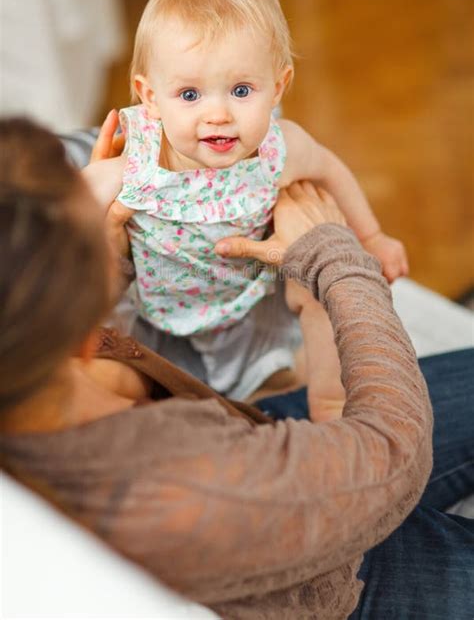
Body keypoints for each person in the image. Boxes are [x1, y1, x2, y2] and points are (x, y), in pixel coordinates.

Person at [1, 116, 472, 620]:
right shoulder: (177, 488)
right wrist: (336, 258)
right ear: (73, 327)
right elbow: (395, 451)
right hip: (340, 585)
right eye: (85, 210)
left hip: (257, 441)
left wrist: (110, 257)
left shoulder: (29, 365)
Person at [83, 0, 409, 419]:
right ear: (150, 97)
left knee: (317, 296)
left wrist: (372, 235)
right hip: (159, 318)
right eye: (190, 95)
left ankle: (331, 408)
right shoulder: (139, 160)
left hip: (251, 309)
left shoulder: (280, 151)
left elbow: (330, 170)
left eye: (240, 91)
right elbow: (65, 200)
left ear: (278, 88)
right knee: (132, 383)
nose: (218, 114)